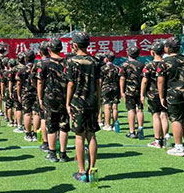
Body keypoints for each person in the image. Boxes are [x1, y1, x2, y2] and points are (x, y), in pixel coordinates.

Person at [66, 32, 101, 183]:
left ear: (75, 45)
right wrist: (98, 101)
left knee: (79, 136)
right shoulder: (95, 61)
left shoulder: (71, 61)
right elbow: (98, 84)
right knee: (91, 135)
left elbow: (71, 84)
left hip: (77, 102)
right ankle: (92, 169)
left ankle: (81, 171)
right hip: (92, 101)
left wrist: (68, 102)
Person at [158, 37, 184, 157]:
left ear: (168, 48)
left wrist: (161, 96)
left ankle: (179, 147)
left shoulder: (164, 62)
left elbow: (160, 81)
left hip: (173, 94)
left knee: (176, 120)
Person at [37, 38, 71, 163]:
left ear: (49, 49)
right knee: (64, 126)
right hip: (64, 98)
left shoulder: (44, 63)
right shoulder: (67, 62)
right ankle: (63, 153)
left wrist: (40, 97)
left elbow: (40, 82)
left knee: (51, 126)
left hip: (50, 98)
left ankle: (52, 153)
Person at [141, 42, 169, 149]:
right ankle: (166, 139)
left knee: (155, 115)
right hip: (165, 93)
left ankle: (157, 140)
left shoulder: (149, 65)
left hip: (153, 93)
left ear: (152, 52)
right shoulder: (167, 64)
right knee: (164, 115)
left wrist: (142, 94)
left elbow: (144, 81)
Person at [120, 46, 145, 139]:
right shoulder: (142, 65)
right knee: (140, 109)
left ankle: (132, 131)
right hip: (140, 90)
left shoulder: (125, 65)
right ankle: (140, 129)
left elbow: (122, 78)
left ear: (128, 53)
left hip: (129, 90)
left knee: (131, 110)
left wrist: (122, 91)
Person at [19, 50, 40, 142]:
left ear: (25, 59)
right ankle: (35, 134)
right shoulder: (38, 68)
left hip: (26, 93)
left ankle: (28, 134)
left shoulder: (22, 70)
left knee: (27, 113)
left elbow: (19, 83)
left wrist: (18, 94)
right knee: (36, 113)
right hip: (37, 92)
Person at [35, 41, 50, 151]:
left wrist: (40, 96)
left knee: (44, 118)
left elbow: (38, 81)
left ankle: (46, 142)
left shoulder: (40, 63)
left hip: (45, 94)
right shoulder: (58, 61)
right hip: (58, 94)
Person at [100, 51, 121, 131]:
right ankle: (115, 124)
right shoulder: (117, 68)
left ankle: (107, 124)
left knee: (107, 107)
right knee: (115, 107)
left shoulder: (103, 68)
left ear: (106, 59)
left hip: (106, 88)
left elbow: (100, 80)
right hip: (115, 88)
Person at [12, 53, 25, 134]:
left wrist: (10, 91)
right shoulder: (28, 67)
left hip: (17, 89)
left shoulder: (14, 69)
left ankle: (19, 125)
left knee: (18, 108)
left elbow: (11, 81)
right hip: (28, 89)